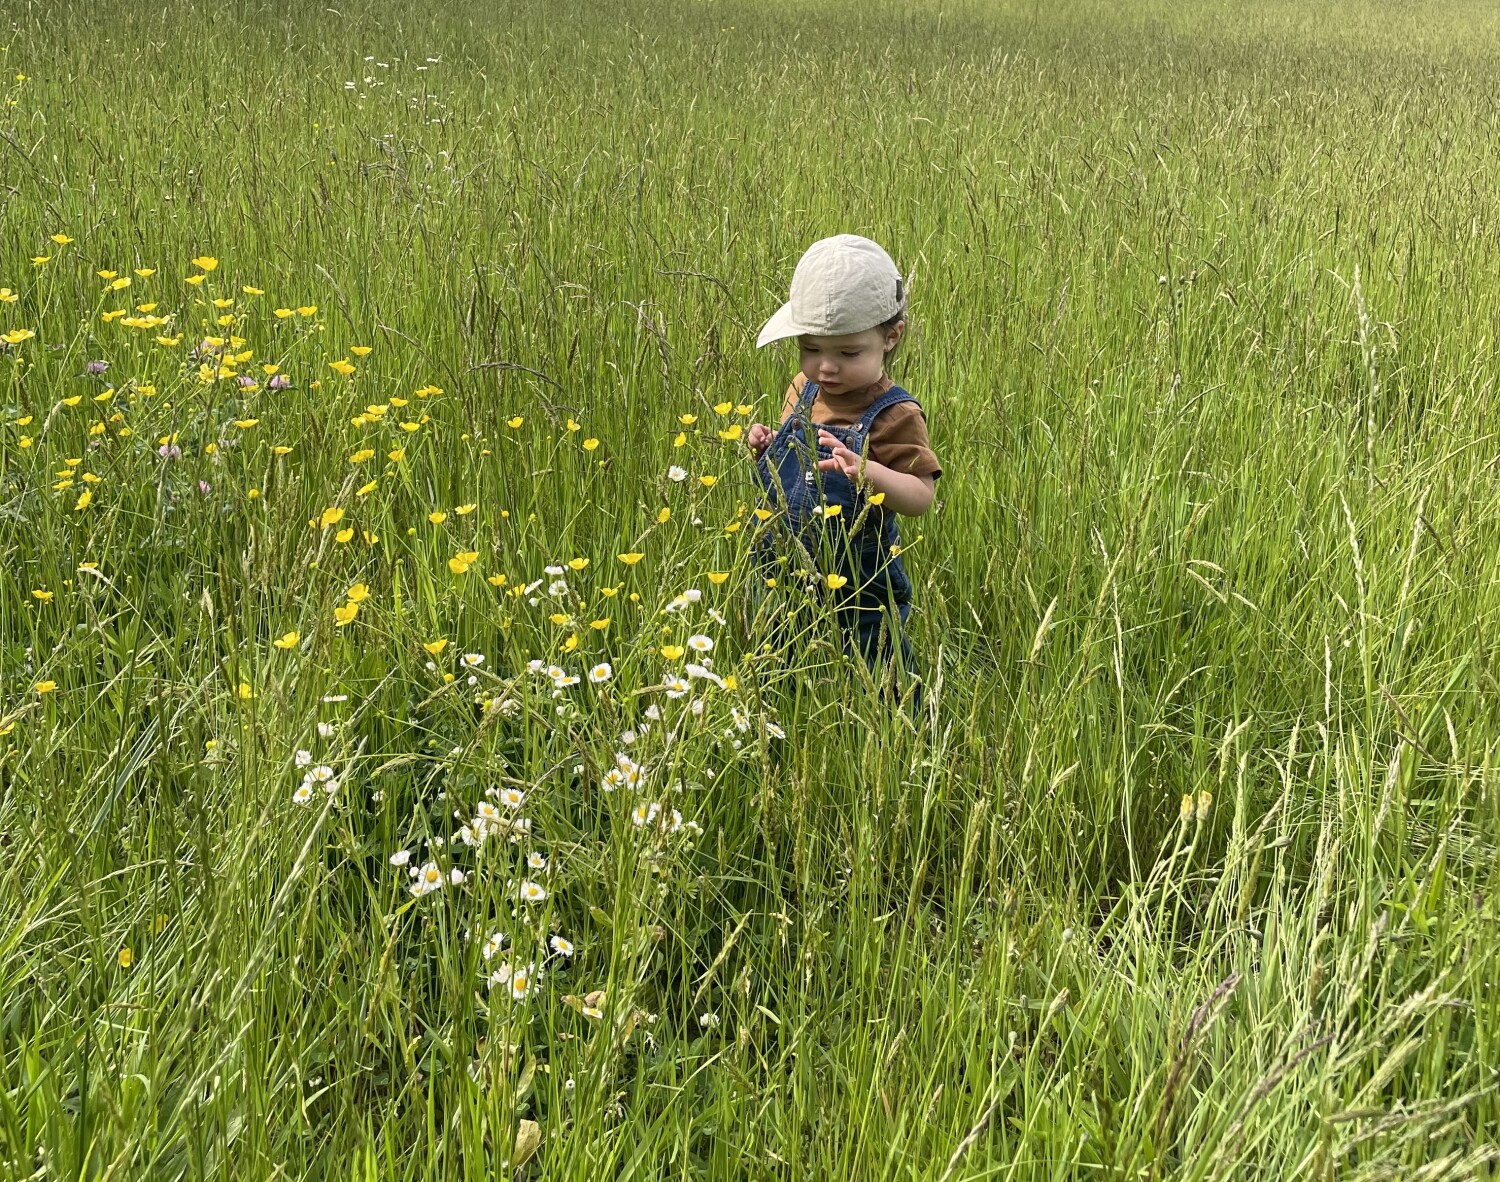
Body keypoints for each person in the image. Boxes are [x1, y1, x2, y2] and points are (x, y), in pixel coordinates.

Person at [745, 234, 941, 709]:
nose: (826, 368)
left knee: (883, 672)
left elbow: (920, 496)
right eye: (811, 349)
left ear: (890, 337)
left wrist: (869, 471)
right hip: (783, 568)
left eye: (849, 354)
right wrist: (764, 448)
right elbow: (791, 473)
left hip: (861, 579)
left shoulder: (895, 415)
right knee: (778, 662)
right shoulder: (802, 388)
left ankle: (905, 738)